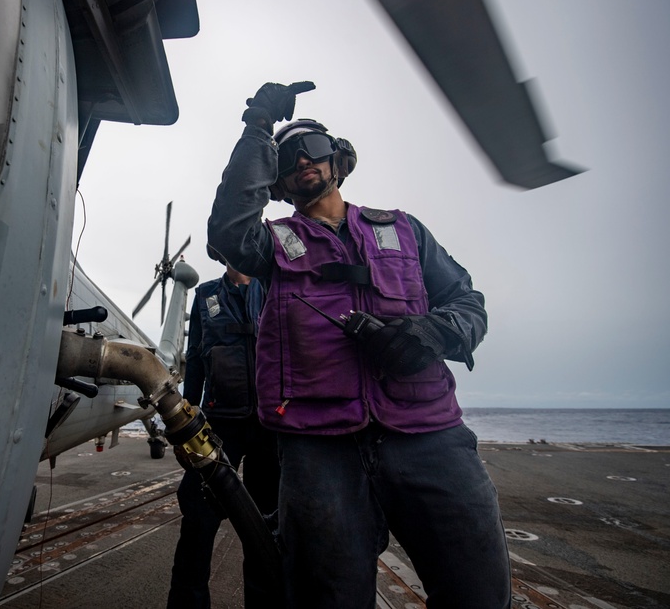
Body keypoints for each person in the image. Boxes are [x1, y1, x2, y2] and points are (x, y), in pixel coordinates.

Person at [205, 82, 511, 608]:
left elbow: (467, 301)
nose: (302, 158)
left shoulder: (406, 230)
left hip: (429, 435)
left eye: (315, 148)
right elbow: (228, 230)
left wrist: (430, 334)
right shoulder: (272, 244)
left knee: (479, 592)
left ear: (339, 161)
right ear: (276, 179)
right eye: (288, 154)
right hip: (319, 448)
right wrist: (258, 126)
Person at [166, 254, 281, 609]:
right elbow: (196, 358)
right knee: (197, 522)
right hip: (219, 425)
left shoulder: (274, 287)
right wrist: (186, 419)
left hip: (268, 426)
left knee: (266, 530)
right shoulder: (206, 295)